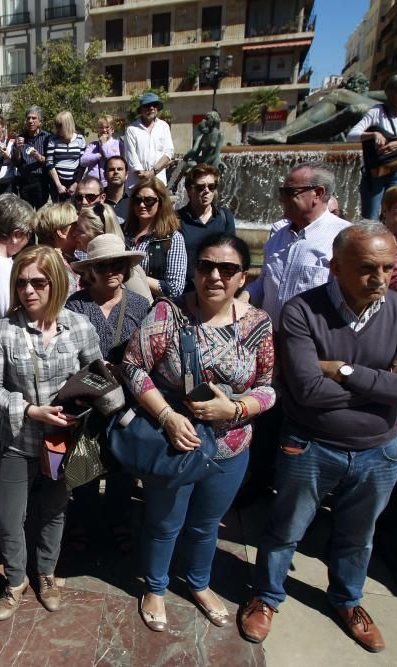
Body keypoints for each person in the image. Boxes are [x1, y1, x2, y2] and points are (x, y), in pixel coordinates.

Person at [239, 223, 397, 654]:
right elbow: (308, 391)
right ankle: (267, 595)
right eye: (367, 269)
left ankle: (347, 600)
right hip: (310, 444)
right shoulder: (301, 310)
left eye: (387, 268)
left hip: (378, 451)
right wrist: (386, 380)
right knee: (284, 528)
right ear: (336, 267)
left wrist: (343, 371)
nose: (381, 279)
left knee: (357, 535)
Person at [123, 233, 275, 632]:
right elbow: (133, 367)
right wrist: (168, 417)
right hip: (175, 442)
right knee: (163, 522)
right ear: (194, 270)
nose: (215, 276)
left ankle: (199, 582)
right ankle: (155, 586)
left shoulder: (257, 324)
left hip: (231, 446)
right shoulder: (167, 315)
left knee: (207, 523)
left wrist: (236, 408)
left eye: (227, 269)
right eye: (206, 266)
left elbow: (270, 386)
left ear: (243, 276)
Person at [0, 245, 102, 621]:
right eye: (21, 283)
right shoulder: (4, 330)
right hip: (19, 440)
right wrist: (32, 410)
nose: (28, 291)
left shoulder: (79, 326)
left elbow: (98, 375)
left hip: (62, 442)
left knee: (53, 511)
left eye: (38, 282)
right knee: (9, 516)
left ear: (57, 283)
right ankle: (16, 580)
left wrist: (77, 401)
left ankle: (46, 574)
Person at [64, 234, 151, 553]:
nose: (112, 270)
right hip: (87, 397)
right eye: (104, 265)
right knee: (85, 459)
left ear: (127, 267)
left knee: (123, 465)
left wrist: (124, 367)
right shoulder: (75, 304)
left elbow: (151, 352)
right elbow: (63, 347)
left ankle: (119, 521)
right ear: (92, 269)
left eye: (118, 264)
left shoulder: (141, 305)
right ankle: (82, 522)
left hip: (126, 397)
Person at [244, 163, 351, 324]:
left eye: (289, 192)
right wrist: (243, 298)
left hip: (313, 342)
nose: (281, 199)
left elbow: (348, 299)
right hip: (270, 339)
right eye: (282, 191)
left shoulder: (345, 237)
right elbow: (264, 282)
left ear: (318, 193)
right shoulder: (278, 237)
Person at [347, 73, 397, 219]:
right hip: (376, 170)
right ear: (395, 91)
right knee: (371, 217)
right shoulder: (377, 111)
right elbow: (351, 135)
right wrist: (373, 135)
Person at [124, 176, 186, 298]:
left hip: (153, 308)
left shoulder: (173, 238)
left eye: (149, 200)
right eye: (137, 200)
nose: (142, 205)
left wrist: (133, 276)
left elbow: (175, 288)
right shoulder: (123, 232)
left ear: (161, 202)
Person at [177, 164, 236, 288]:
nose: (207, 191)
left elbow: (232, 256)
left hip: (215, 288)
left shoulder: (225, 217)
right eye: (200, 187)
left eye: (212, 186)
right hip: (186, 291)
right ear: (189, 190)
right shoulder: (176, 219)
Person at [125, 92, 175, 188]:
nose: (151, 108)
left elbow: (169, 152)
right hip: (136, 183)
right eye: (148, 105)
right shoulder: (131, 129)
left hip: (159, 182)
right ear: (141, 110)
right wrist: (143, 174)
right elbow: (131, 156)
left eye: (154, 105)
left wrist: (153, 172)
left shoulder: (164, 126)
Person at [36, 201, 82, 292]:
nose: (81, 227)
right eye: (76, 224)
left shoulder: (69, 257)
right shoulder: (53, 265)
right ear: (61, 232)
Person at [14, 106, 52, 208]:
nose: (30, 121)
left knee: (41, 215)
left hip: (41, 181)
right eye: (28, 118)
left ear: (40, 121)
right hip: (24, 181)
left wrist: (40, 157)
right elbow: (16, 162)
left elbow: (51, 161)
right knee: (26, 215)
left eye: (34, 118)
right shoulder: (20, 138)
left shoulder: (47, 137)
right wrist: (17, 148)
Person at [46, 111, 87, 202]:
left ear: (67, 125)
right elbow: (49, 163)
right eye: (56, 125)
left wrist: (76, 183)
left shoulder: (80, 139)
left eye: (60, 125)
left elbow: (83, 164)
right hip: (57, 184)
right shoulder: (53, 140)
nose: (57, 128)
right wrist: (58, 185)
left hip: (74, 183)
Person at [80, 114, 123, 187]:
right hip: (93, 184)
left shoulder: (118, 144)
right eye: (101, 128)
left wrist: (104, 144)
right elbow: (83, 161)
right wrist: (98, 155)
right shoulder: (92, 145)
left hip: (110, 184)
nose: (104, 130)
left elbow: (113, 160)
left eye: (107, 127)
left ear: (112, 130)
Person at [104, 156, 131, 222]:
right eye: (111, 169)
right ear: (105, 175)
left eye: (119, 169)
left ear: (126, 175)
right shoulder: (97, 199)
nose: (116, 172)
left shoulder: (135, 198)